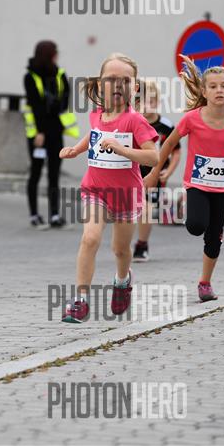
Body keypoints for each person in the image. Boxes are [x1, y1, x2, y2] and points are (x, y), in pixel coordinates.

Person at [58, 53, 158, 323]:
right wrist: (77, 149)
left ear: (134, 87)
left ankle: (122, 281)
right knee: (90, 238)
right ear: (100, 84)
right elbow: (94, 134)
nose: (118, 85)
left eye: (125, 80)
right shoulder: (97, 114)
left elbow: (153, 157)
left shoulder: (135, 121)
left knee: (120, 250)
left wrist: (123, 150)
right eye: (111, 79)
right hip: (96, 190)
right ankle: (80, 300)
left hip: (126, 194)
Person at [145, 55, 224, 302]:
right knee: (195, 226)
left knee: (214, 239)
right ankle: (193, 215)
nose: (219, 90)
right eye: (213, 86)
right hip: (197, 184)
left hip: (222, 189)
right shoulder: (192, 118)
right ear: (204, 91)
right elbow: (168, 144)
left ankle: (205, 283)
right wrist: (154, 173)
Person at [23, 40, 79, 229]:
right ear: (49, 55)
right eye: (55, 52)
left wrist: (54, 104)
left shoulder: (59, 74)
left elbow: (65, 99)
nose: (57, 55)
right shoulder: (30, 77)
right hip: (38, 134)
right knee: (36, 172)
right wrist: (40, 132)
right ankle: (34, 215)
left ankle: (54, 215)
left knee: (54, 174)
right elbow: (36, 106)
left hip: (55, 131)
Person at [132, 80, 181, 262]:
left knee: (146, 208)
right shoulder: (132, 121)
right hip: (132, 172)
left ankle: (142, 245)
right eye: (142, 102)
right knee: (129, 210)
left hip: (155, 175)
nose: (146, 106)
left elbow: (176, 152)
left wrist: (168, 172)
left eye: (151, 101)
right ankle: (121, 244)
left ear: (157, 102)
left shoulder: (166, 125)